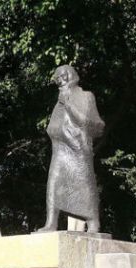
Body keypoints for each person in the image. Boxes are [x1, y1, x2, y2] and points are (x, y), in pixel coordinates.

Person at [36, 65, 105, 233]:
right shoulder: (59, 101)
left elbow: (91, 123)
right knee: (53, 181)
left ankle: (93, 222)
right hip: (59, 149)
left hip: (78, 150)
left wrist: (68, 106)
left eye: (61, 77)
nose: (59, 81)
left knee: (85, 184)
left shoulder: (86, 96)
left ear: (70, 76)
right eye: (57, 79)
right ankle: (51, 222)